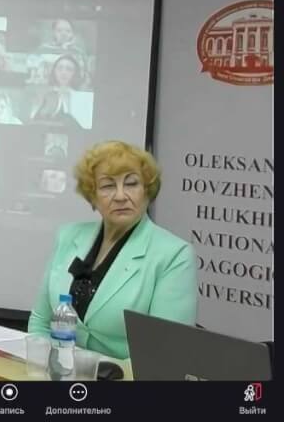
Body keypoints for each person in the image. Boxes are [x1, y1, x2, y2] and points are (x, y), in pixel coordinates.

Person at [27, 141, 198, 359]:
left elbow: (165, 353)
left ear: (147, 191)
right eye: (108, 186)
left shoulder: (174, 255)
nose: (120, 196)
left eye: (131, 184)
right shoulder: (68, 236)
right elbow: (40, 323)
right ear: (93, 196)